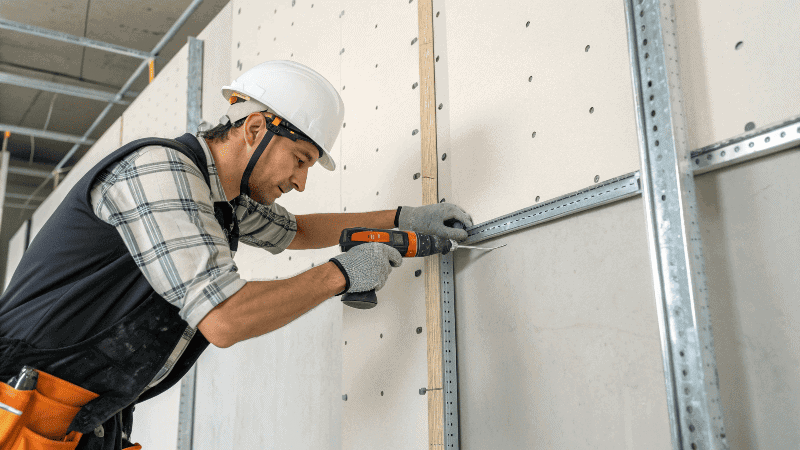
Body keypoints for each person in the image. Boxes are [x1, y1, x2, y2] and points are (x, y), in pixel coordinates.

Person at [0, 60, 473, 449]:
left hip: (81, 420)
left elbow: (297, 232)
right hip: (19, 409)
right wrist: (341, 275)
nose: (300, 181)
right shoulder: (158, 172)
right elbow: (223, 318)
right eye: (301, 159)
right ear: (253, 128)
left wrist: (401, 218)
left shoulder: (218, 198)